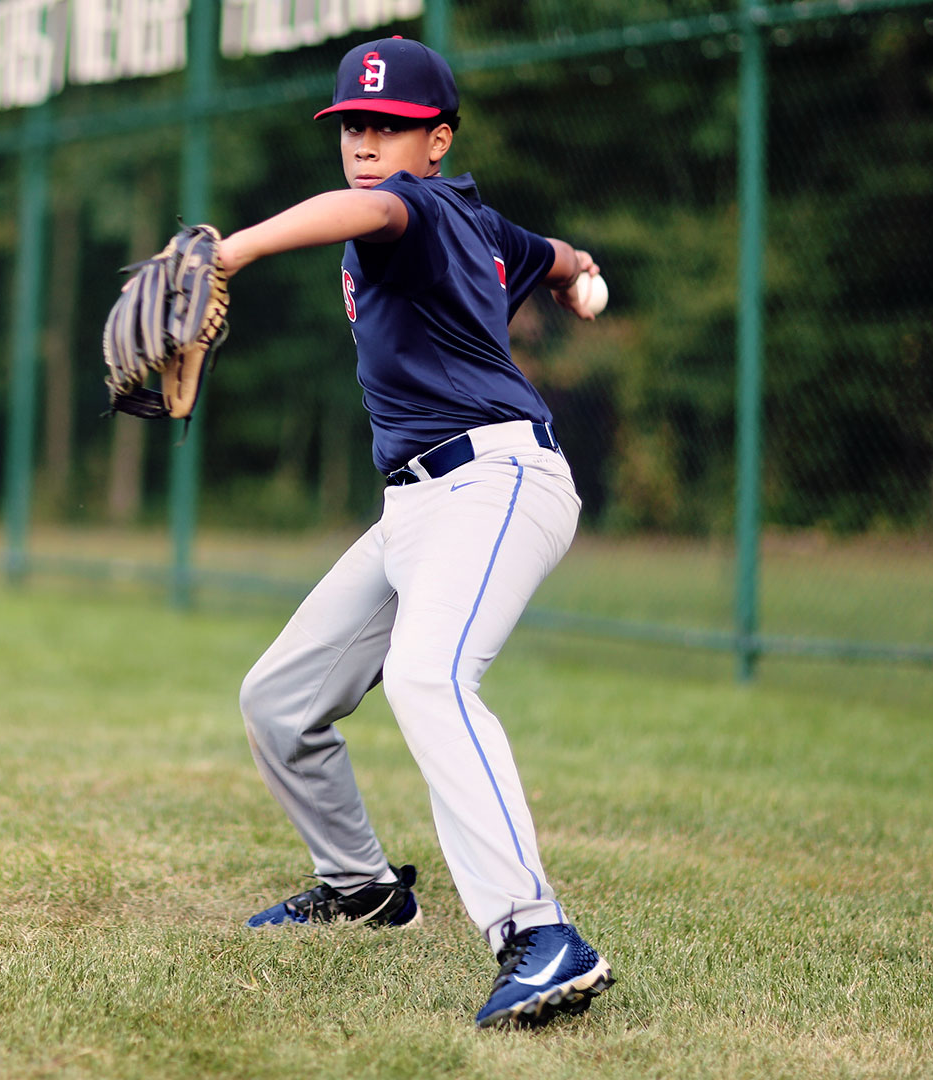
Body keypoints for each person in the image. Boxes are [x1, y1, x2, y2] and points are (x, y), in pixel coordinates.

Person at [215, 36, 615, 1029]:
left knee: (432, 677)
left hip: (497, 481)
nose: (365, 142)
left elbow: (370, 209)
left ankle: (540, 933)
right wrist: (575, 273)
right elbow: (551, 254)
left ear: (435, 142)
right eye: (353, 124)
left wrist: (235, 248)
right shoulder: (480, 224)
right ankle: (362, 890)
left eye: (389, 128)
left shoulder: (417, 205)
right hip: (417, 506)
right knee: (278, 700)